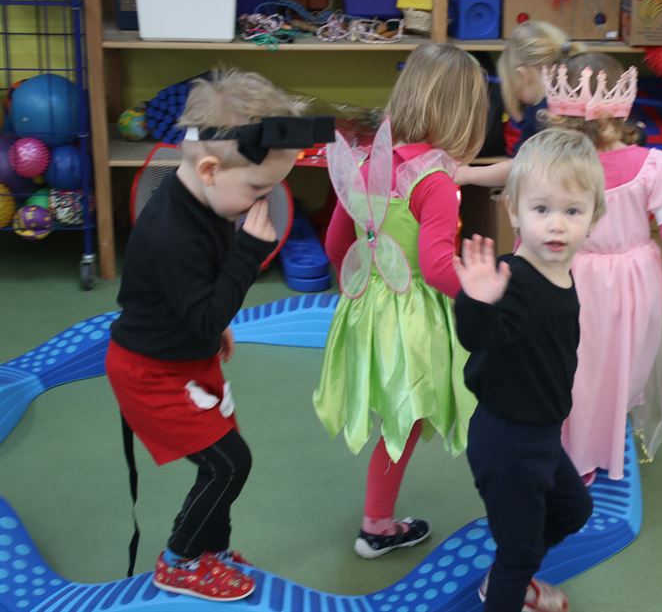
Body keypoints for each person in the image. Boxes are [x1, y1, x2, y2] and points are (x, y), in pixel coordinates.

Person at [106, 68, 329, 601]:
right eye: (257, 189)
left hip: (185, 352)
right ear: (209, 169)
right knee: (228, 462)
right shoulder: (171, 231)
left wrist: (215, 326)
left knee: (222, 456)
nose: (262, 203)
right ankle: (179, 560)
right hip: (150, 370)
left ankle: (213, 550)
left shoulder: (204, 199)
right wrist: (249, 256)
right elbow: (202, 302)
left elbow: (198, 300)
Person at [313, 43, 487, 559]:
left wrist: (366, 285)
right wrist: (483, 297)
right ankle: (376, 526)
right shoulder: (435, 182)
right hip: (412, 316)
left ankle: (378, 521)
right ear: (464, 115)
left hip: (367, 307)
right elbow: (436, 267)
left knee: (396, 417)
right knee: (406, 419)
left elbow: (334, 246)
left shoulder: (369, 163)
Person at [454, 128, 605, 611]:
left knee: (574, 509)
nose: (556, 225)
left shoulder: (559, 268)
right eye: (541, 209)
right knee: (518, 552)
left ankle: (508, 575)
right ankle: (509, 583)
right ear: (514, 211)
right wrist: (478, 300)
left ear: (594, 217)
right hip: (507, 440)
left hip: (541, 434)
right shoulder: (513, 280)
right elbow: (477, 337)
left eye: (572, 211)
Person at [542, 53, 662, 481]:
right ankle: (600, 440)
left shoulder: (555, 166)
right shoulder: (652, 166)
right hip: (633, 280)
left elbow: (533, 224)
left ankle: (577, 450)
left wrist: (525, 269)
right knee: (622, 360)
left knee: (577, 366)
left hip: (572, 277)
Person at [454, 21, 585, 187]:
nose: (516, 96)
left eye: (513, 86)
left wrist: (469, 174)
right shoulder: (575, 101)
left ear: (524, 75)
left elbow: (524, 167)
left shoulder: (542, 114)